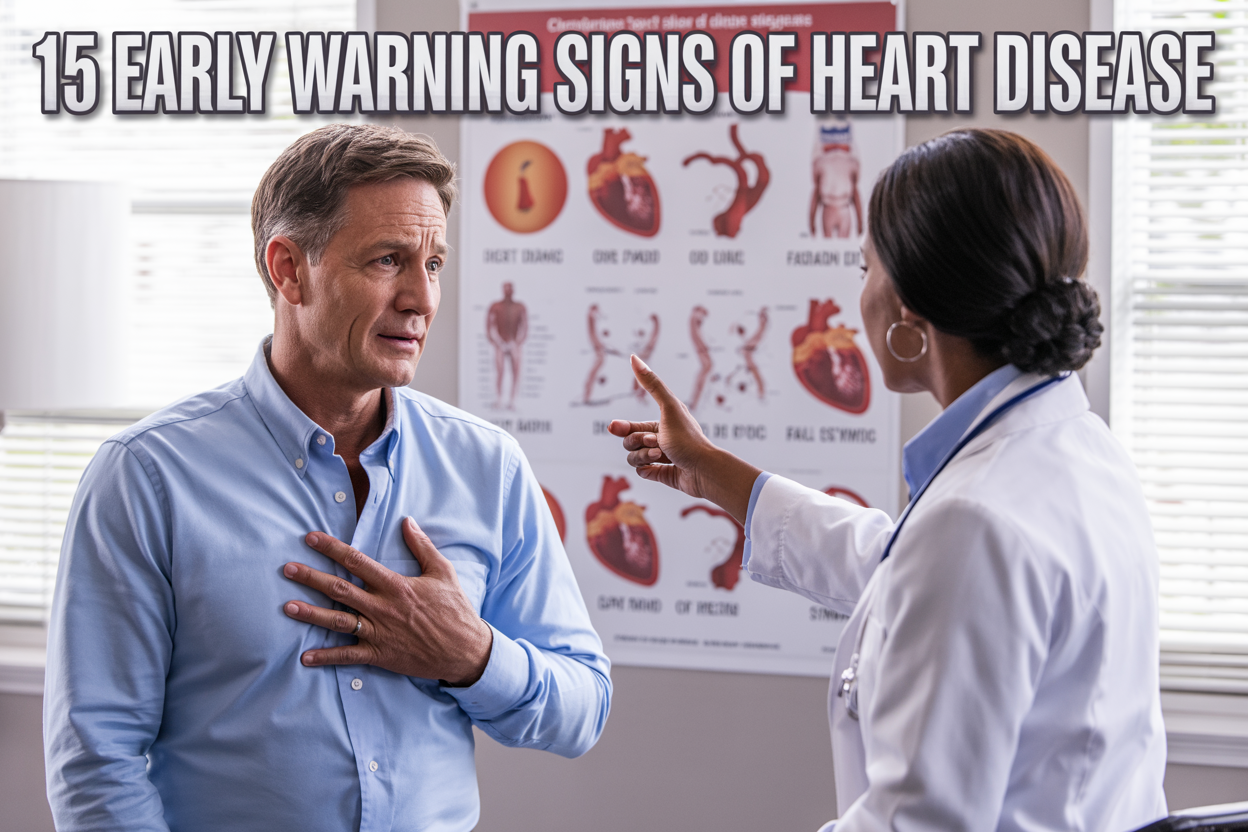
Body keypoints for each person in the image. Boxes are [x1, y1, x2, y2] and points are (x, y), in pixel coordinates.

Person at [44, 124, 611, 832]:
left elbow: (582, 709)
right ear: (288, 268)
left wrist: (471, 656)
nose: (421, 298)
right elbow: (97, 760)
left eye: (433, 264)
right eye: (387, 260)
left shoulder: (487, 467)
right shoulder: (147, 478)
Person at [610, 129, 1167, 831]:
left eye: (865, 267)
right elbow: (902, 564)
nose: (859, 294)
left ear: (909, 315)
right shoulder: (1073, 448)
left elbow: (916, 821)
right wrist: (717, 474)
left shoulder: (975, 520)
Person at [486, 281, 527, 409]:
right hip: (500, 343)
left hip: (514, 343)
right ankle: (499, 399)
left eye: (510, 288)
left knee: (515, 372)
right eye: (506, 288)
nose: (508, 291)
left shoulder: (520, 307)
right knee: (500, 372)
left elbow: (525, 327)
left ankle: (512, 400)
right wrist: (497, 342)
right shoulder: (496, 306)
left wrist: (517, 343)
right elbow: (489, 326)